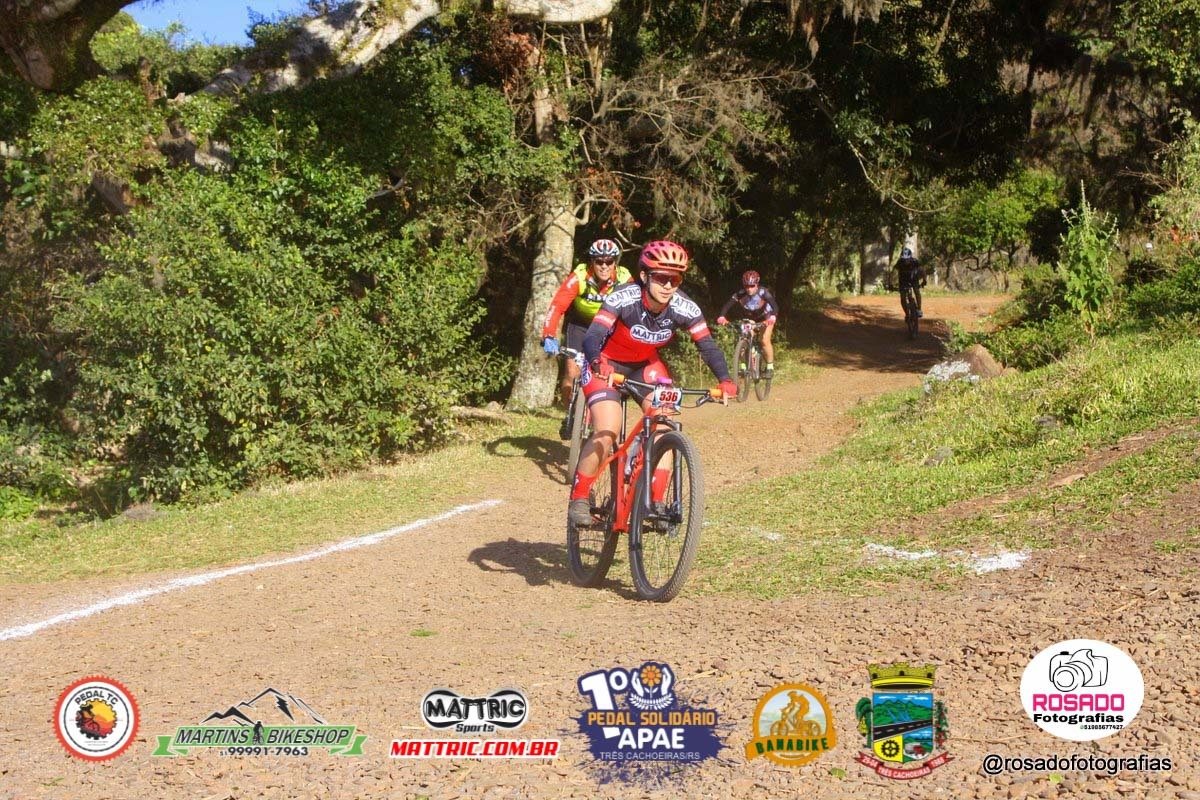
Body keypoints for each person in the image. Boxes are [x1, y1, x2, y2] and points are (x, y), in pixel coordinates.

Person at [567, 240, 737, 527]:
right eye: (661, 277)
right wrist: (596, 362)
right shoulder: (624, 297)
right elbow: (593, 335)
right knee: (607, 429)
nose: (668, 285)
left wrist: (725, 380)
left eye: (675, 279)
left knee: (663, 424)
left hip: (645, 365)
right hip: (605, 361)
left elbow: (707, 345)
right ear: (645, 276)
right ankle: (580, 497)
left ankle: (655, 503)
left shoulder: (684, 307)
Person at [541, 239, 633, 438]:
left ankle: (600, 414)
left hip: (609, 329)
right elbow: (557, 306)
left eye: (609, 261)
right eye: (599, 261)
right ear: (592, 261)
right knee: (572, 371)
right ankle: (572, 413)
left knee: (607, 373)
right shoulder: (580, 276)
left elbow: (636, 308)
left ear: (615, 262)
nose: (604, 266)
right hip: (581, 326)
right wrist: (548, 333)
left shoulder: (624, 278)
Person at [716, 270, 779, 376]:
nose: (749, 289)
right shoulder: (741, 293)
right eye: (746, 286)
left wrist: (773, 316)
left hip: (766, 317)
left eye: (752, 286)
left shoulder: (763, 292)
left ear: (757, 284)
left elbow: (775, 305)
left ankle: (770, 367)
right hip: (751, 318)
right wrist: (722, 316)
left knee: (764, 340)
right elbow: (727, 305)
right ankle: (743, 366)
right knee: (744, 338)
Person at [895, 246, 926, 317]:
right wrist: (891, 283)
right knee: (903, 298)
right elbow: (894, 272)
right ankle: (907, 313)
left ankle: (919, 309)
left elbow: (922, 270)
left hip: (914, 279)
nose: (906, 261)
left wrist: (924, 280)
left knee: (916, 291)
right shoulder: (900, 262)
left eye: (907, 259)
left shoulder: (915, 261)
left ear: (910, 257)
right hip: (903, 280)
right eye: (904, 259)